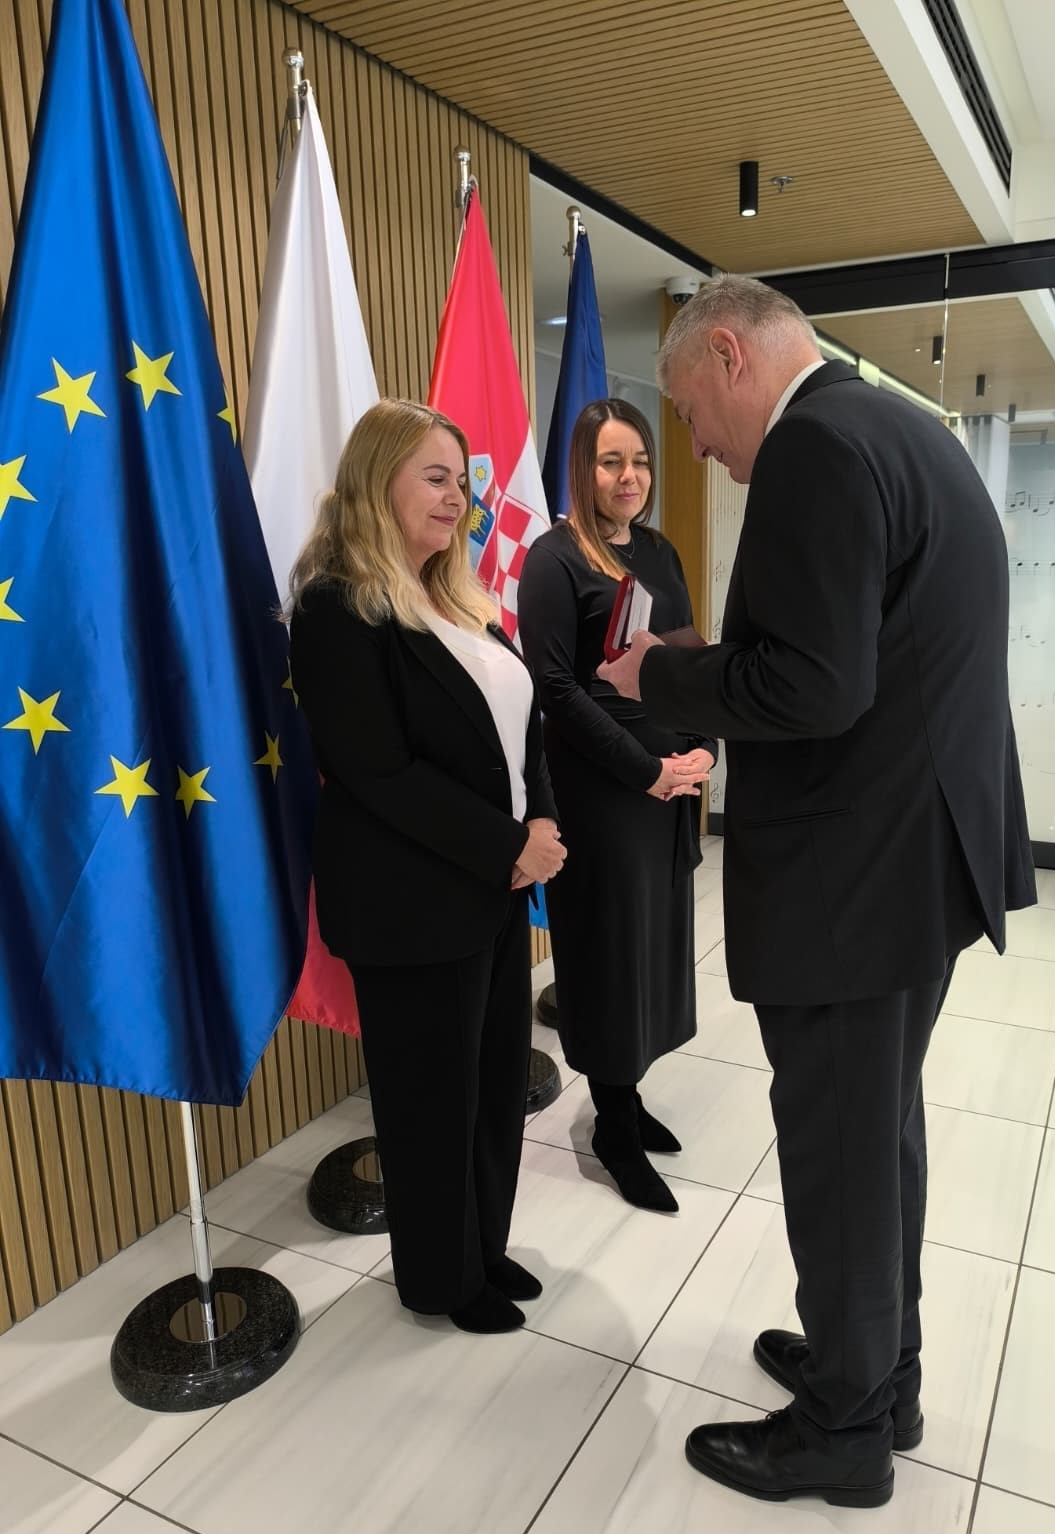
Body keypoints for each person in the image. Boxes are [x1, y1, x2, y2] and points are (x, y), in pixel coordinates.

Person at [599, 275, 1036, 1508]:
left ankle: (843, 1432)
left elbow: (812, 689)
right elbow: (856, 651)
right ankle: (878, 1373)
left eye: (689, 413)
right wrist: (723, 660)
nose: (696, 446)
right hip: (916, 861)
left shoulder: (814, 447)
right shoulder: (899, 427)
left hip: (855, 878)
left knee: (841, 1154)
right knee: (875, 1136)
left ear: (727, 356)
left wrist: (656, 679)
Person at [289, 398, 566, 1335]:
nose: (458, 498)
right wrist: (508, 843)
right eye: (435, 478)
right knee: (428, 1108)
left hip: (491, 890)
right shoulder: (337, 606)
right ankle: (440, 1281)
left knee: (490, 1089)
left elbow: (522, 730)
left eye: (462, 481)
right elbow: (376, 770)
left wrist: (540, 818)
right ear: (379, 482)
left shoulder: (460, 597)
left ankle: (482, 1247)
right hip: (410, 903)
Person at [518, 399, 715, 1215]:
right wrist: (643, 771)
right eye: (610, 462)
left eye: (638, 460)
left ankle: (627, 1097)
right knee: (606, 957)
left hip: (667, 785)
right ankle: (613, 1128)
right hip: (602, 791)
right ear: (582, 468)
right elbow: (555, 689)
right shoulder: (554, 558)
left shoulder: (659, 552)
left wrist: (704, 748)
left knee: (652, 950)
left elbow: (689, 658)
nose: (628, 476)